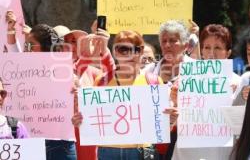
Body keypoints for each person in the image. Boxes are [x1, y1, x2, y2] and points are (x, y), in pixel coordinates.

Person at [72, 30, 178, 160]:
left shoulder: (154, 82)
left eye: (136, 49)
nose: (131, 55)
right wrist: (80, 121)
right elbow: (93, 119)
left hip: (145, 151)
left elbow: (162, 125)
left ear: (141, 52)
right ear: (115, 52)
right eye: (124, 49)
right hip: (109, 152)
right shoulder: (102, 81)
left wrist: (171, 120)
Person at [172, 24, 241, 160]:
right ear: (202, 51)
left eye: (218, 48)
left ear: (228, 53)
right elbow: (171, 120)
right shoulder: (185, 79)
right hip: (187, 154)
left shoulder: (239, 83)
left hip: (222, 154)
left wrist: (236, 99)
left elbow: (243, 126)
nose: (211, 53)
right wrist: (175, 101)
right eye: (207, 47)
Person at [26, 24, 77, 160]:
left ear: (45, 46)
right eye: (26, 46)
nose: (27, 50)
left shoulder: (65, 72)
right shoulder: (22, 71)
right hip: (31, 143)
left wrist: (77, 93)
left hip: (61, 145)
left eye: (31, 45)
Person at [142, 20, 192, 159]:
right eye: (163, 41)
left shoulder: (198, 72)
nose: (167, 45)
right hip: (152, 143)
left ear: (186, 45)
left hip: (184, 141)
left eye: (173, 40)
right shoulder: (148, 72)